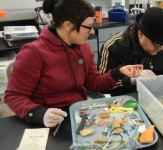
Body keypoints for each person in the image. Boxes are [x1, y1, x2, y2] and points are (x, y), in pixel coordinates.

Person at [4, 0, 143, 128]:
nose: (92, 31)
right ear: (68, 25)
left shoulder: (83, 47)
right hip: (48, 120)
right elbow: (14, 96)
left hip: (78, 113)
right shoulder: (33, 52)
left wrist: (118, 73)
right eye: (88, 27)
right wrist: (38, 114)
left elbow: (92, 83)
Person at [98, 7, 163, 96]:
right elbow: (101, 86)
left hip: (160, 95)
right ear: (140, 34)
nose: (161, 48)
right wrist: (131, 81)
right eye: (157, 44)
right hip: (128, 101)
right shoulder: (114, 47)